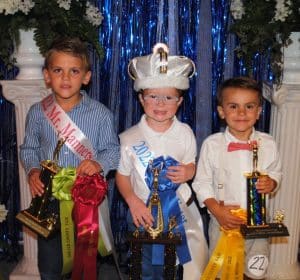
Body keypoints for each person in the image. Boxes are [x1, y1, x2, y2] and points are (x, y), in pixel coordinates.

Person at [20, 37, 120, 280]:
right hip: (49, 199)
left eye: (74, 71)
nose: (66, 78)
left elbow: (113, 152)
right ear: (46, 75)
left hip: (86, 200)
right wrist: (33, 171)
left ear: (86, 77)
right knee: (50, 264)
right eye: (58, 70)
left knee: (84, 261)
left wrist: (98, 163)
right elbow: (28, 148)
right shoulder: (37, 112)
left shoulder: (101, 114)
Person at [116, 43, 208, 280]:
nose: (160, 104)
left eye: (168, 97)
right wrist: (132, 201)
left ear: (179, 101)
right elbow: (122, 176)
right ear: (140, 98)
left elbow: (191, 163)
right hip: (142, 211)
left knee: (174, 264)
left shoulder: (185, 132)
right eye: (153, 96)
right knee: (145, 266)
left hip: (177, 211)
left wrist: (188, 171)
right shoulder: (129, 139)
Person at [192, 77, 282, 279]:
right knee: (223, 271)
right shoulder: (212, 145)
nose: (242, 113)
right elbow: (202, 183)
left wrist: (272, 182)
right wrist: (216, 210)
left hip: (258, 223)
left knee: (256, 268)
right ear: (221, 111)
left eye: (249, 106)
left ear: (259, 112)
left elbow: (276, 171)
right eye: (233, 106)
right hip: (224, 221)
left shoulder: (269, 143)